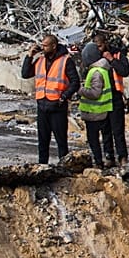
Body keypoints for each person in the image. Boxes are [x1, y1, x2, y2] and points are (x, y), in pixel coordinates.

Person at [21, 33, 79, 164]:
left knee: (61, 141)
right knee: (43, 140)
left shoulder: (65, 60)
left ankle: (64, 166)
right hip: (42, 105)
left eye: (45, 45)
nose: (43, 47)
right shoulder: (40, 60)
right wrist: (29, 56)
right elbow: (25, 74)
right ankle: (42, 166)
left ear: (54, 46)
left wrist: (64, 96)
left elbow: (75, 82)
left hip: (57, 106)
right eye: (42, 45)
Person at [82, 32, 129, 164]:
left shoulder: (117, 54)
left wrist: (111, 59)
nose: (99, 49)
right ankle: (109, 156)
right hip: (102, 101)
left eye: (100, 46)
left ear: (105, 43)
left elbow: (125, 71)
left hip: (115, 97)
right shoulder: (94, 58)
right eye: (96, 47)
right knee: (106, 131)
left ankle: (122, 156)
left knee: (118, 130)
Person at [78, 49, 117, 168]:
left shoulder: (95, 72)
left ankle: (99, 161)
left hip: (94, 112)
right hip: (104, 110)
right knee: (106, 137)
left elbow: (95, 93)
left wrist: (79, 89)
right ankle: (109, 158)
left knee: (93, 139)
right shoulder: (104, 69)